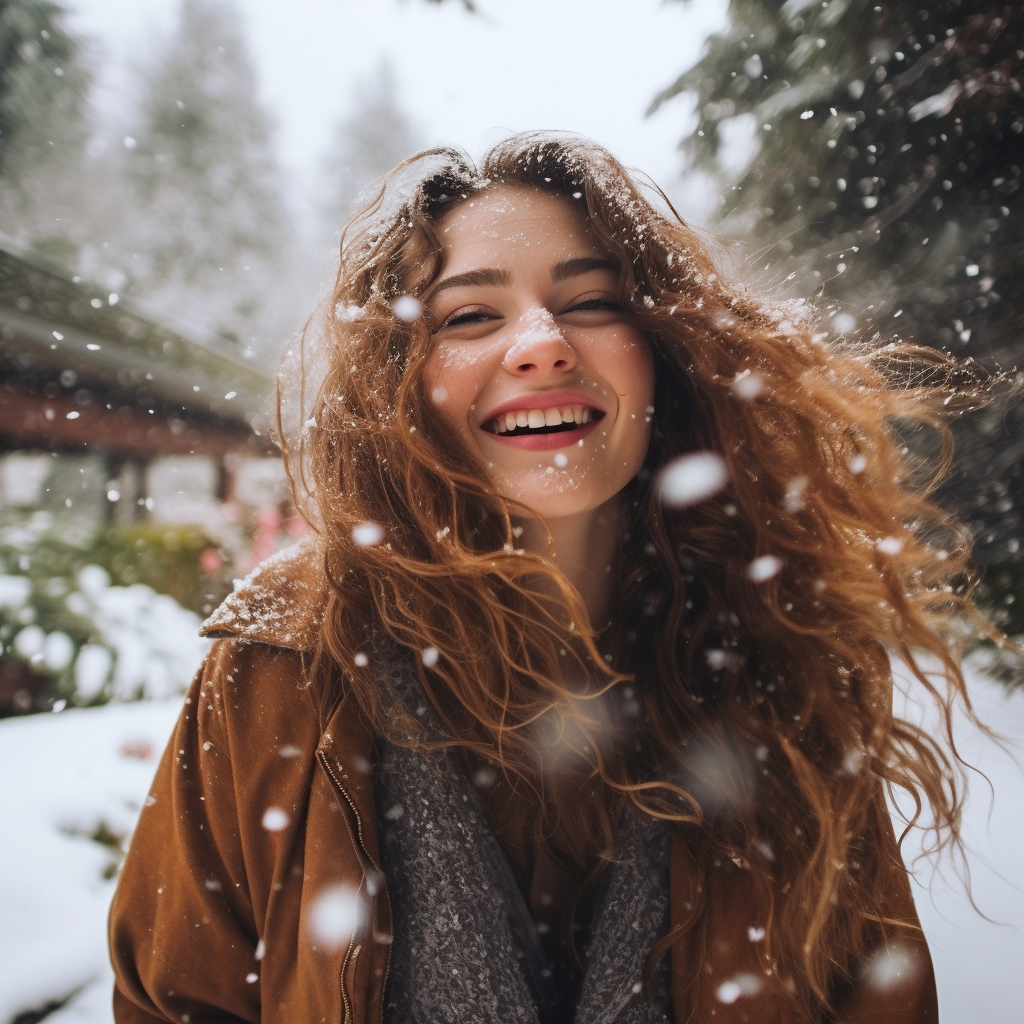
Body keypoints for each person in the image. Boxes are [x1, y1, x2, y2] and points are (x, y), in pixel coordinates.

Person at [109, 132, 986, 1023]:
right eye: (468, 316)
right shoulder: (280, 666)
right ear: (398, 386)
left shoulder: (782, 665)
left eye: (594, 302)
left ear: (666, 351)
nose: (540, 344)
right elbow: (176, 1003)